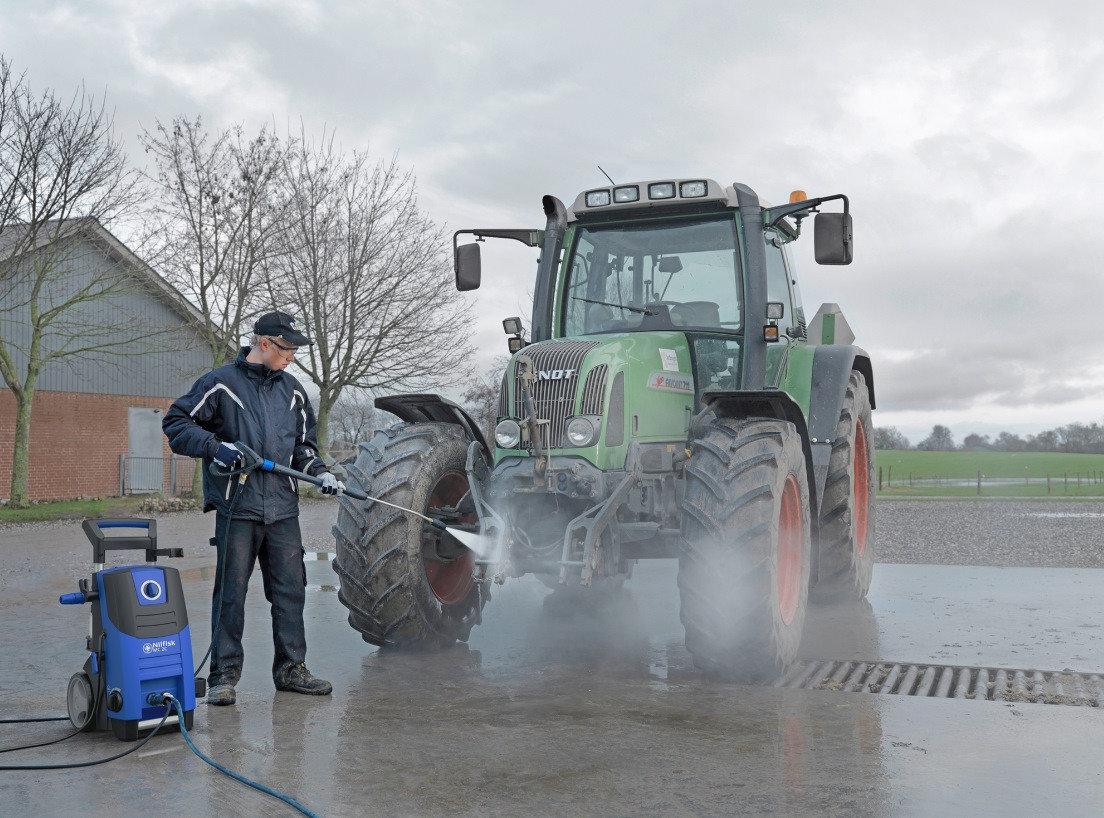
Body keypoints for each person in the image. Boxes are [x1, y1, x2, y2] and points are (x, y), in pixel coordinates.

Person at [163, 311, 343, 706]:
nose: (292, 356)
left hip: (282, 508)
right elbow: (176, 424)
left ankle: (291, 669)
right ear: (265, 344)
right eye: (287, 348)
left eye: (295, 350)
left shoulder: (293, 391)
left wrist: (319, 470)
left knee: (291, 591)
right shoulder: (220, 385)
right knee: (231, 593)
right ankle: (223, 677)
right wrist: (216, 448)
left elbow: (303, 447)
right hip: (237, 507)